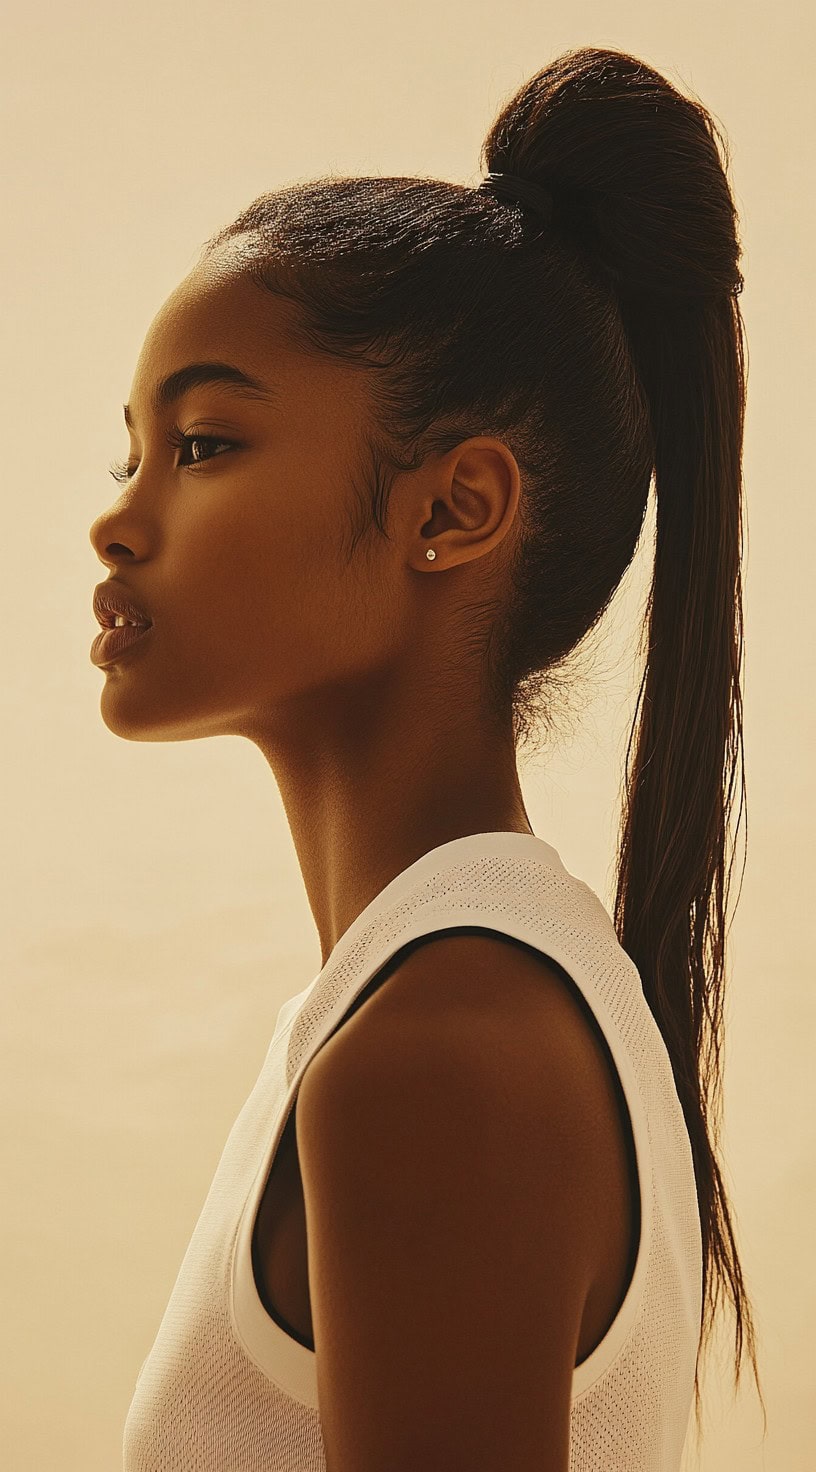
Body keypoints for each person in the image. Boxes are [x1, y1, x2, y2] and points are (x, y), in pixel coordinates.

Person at [89, 44, 765, 1472]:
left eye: (205, 444)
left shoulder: (440, 1055)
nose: (121, 521)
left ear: (455, 508)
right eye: (129, 455)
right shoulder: (439, 1005)